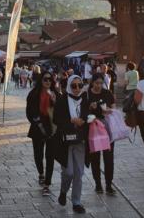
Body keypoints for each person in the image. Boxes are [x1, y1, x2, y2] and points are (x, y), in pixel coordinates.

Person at [53, 75, 88, 214]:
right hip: (66, 141)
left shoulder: (85, 99)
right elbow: (56, 119)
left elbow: (88, 115)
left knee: (78, 173)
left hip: (81, 141)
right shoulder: (62, 100)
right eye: (74, 86)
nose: (77, 88)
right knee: (68, 172)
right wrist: (72, 122)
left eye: (80, 85)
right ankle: (63, 191)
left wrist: (84, 120)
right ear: (69, 86)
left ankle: (76, 202)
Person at [26, 72, 58, 196]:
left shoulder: (56, 94)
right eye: (45, 79)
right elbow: (29, 112)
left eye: (50, 79)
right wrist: (36, 121)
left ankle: (47, 184)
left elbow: (60, 110)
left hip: (51, 128)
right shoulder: (34, 94)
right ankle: (41, 173)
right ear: (41, 80)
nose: (48, 82)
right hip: (38, 126)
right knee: (38, 154)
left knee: (50, 156)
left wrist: (55, 101)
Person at [87, 73, 116, 194]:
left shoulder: (107, 93)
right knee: (95, 158)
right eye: (96, 83)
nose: (99, 85)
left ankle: (109, 184)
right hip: (93, 128)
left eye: (100, 83)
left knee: (109, 157)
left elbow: (114, 109)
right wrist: (90, 107)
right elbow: (84, 112)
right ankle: (98, 184)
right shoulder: (87, 94)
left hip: (107, 128)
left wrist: (108, 110)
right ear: (92, 83)